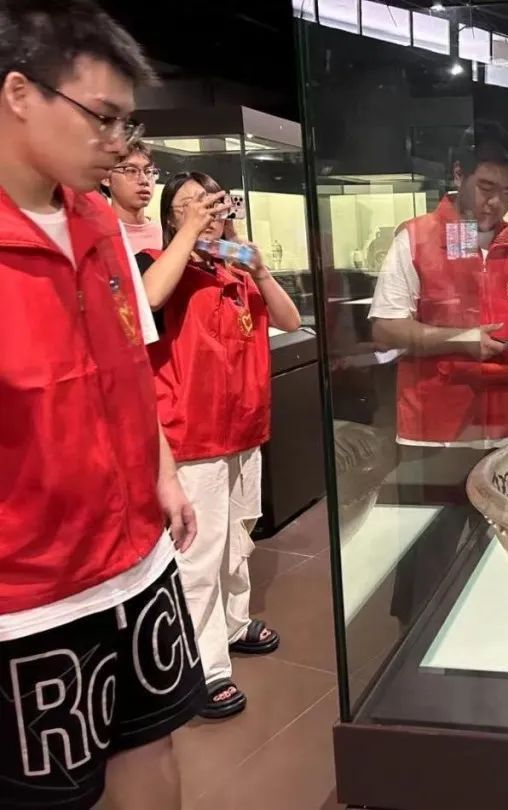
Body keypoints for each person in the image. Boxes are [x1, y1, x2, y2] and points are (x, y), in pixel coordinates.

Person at [0, 3, 203, 809]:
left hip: (139, 559)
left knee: (154, 743)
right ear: (20, 94)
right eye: (102, 118)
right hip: (30, 596)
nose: (119, 144)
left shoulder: (96, 220)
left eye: (128, 123)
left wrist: (163, 472)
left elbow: (129, 364)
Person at [136, 171, 302, 719]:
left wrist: (260, 269)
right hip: (193, 436)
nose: (206, 213)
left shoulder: (234, 269)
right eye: (188, 205)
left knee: (238, 538)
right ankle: (202, 668)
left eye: (211, 203)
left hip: (244, 430)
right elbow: (148, 298)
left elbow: (289, 320)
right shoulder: (158, 266)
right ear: (171, 217)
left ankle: (233, 622)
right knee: (200, 554)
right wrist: (188, 233)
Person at [370, 121, 508, 450]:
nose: (496, 202)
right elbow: (385, 329)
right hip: (434, 431)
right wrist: (461, 340)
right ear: (459, 174)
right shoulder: (415, 239)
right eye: (486, 187)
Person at [103, 138, 162, 253]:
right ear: (105, 177)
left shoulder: (164, 234)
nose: (144, 180)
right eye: (131, 171)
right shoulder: (96, 234)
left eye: (148, 171)